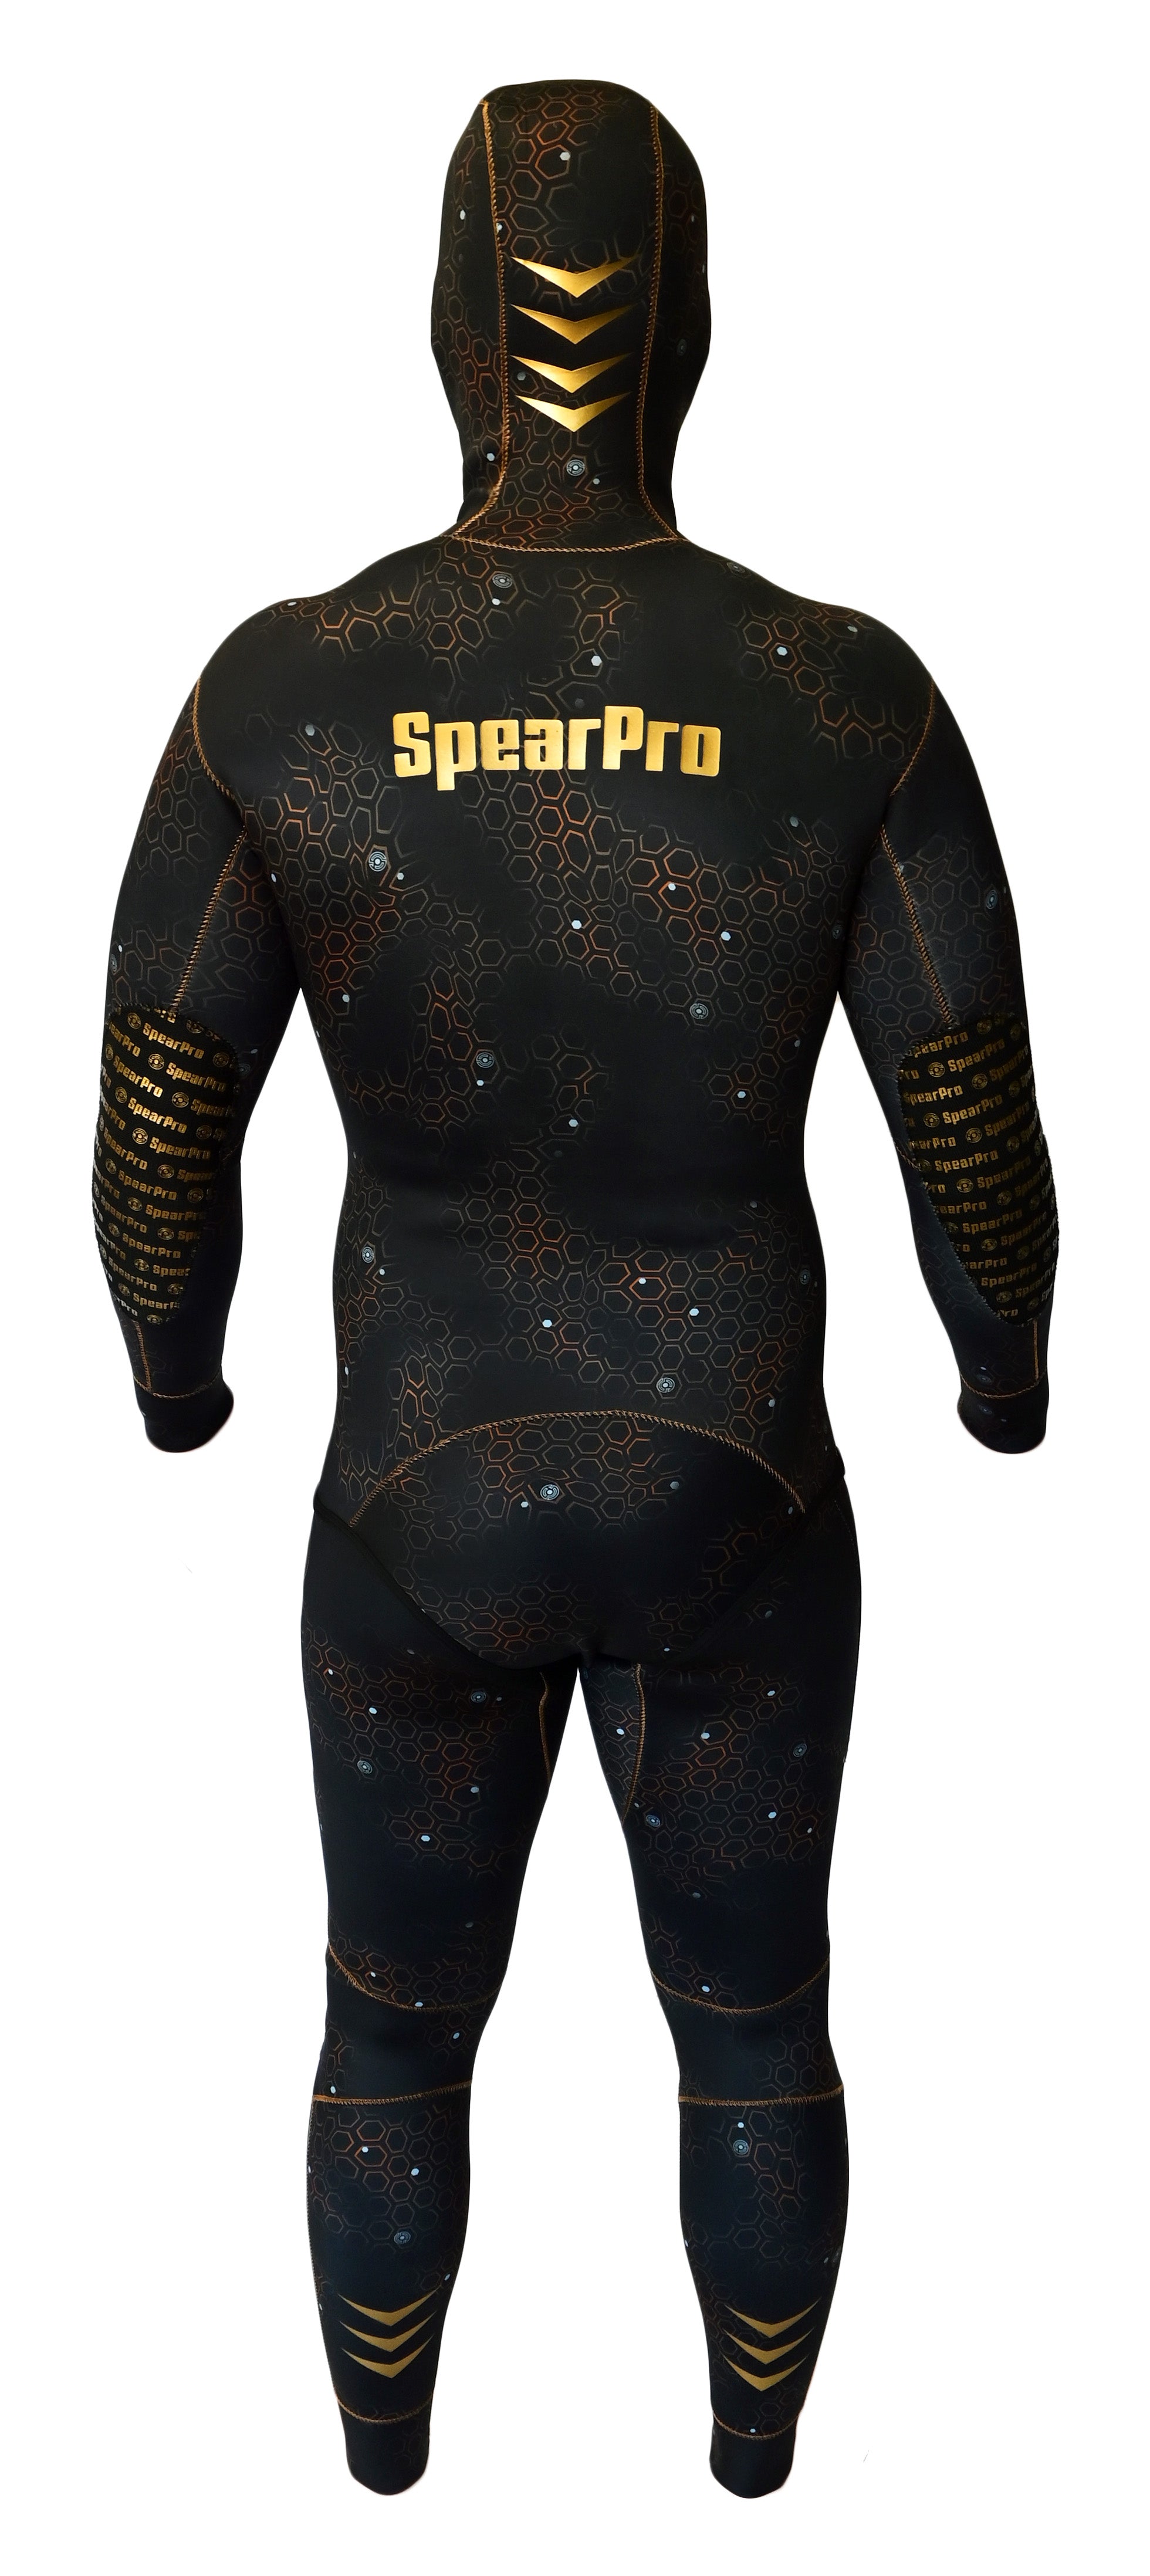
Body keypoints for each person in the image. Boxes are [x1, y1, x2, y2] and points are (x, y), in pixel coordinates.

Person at [93, 77, 1056, 2497]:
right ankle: (755, 2457)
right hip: (737, 1476)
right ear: (691, 325)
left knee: (390, 2031)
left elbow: (157, 1128)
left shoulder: (286, 687)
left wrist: (177, 1385)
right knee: (753, 2025)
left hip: (416, 1484)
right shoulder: (842, 688)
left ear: (446, 317)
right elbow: (968, 1121)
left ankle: (384, 2456)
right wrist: (1004, 1376)